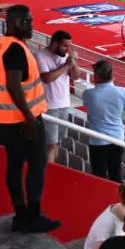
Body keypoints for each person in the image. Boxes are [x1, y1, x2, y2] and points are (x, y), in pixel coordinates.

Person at [0, 4, 60, 232]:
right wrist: (29, 116)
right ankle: (33, 216)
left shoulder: (3, 45)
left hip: (6, 119)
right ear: (15, 22)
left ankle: (20, 216)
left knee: (15, 165)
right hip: (23, 121)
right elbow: (13, 85)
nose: (31, 26)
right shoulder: (15, 49)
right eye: (27, 22)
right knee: (37, 164)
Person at [83, 60, 125, 182]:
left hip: (97, 141)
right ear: (112, 75)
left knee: (99, 176)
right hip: (117, 139)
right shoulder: (122, 92)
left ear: (96, 76)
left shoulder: (88, 94)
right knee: (115, 175)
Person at [35, 29, 77, 164]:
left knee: (56, 142)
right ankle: (48, 173)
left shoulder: (65, 57)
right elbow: (47, 78)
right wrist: (66, 65)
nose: (67, 49)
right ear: (54, 43)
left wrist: (74, 63)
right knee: (50, 144)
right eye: (65, 46)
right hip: (49, 106)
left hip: (64, 104)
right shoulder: (40, 55)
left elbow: (75, 76)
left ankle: (54, 170)